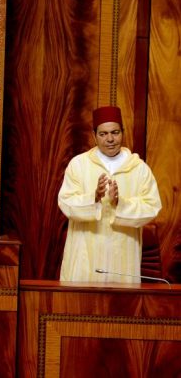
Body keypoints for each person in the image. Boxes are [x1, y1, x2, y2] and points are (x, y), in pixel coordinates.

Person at [58, 106, 162, 283]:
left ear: (123, 132)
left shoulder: (139, 169)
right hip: (85, 262)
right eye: (103, 134)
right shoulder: (79, 165)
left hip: (122, 260)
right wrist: (93, 198)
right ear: (94, 135)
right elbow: (65, 202)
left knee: (120, 300)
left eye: (115, 132)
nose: (110, 139)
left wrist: (120, 203)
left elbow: (152, 206)